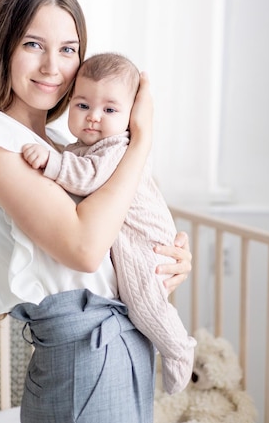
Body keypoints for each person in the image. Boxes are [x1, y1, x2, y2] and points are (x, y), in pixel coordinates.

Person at [0, 0, 192, 423]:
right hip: (85, 352)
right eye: (34, 44)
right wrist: (141, 140)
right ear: (4, 47)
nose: (53, 66)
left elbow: (117, 226)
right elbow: (83, 247)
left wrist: (165, 257)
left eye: (69, 49)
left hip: (119, 342)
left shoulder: (61, 146)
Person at [22, 52, 195, 395]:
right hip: (126, 240)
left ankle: (178, 349)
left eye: (110, 110)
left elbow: (88, 178)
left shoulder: (118, 146)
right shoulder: (78, 146)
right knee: (137, 299)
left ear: (133, 117)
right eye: (83, 105)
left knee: (144, 302)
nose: (93, 118)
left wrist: (52, 163)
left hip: (145, 241)